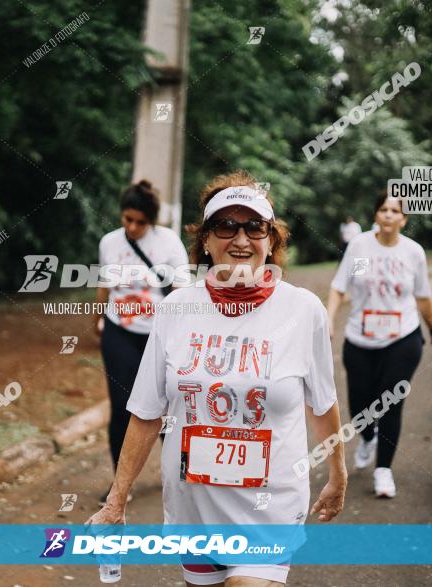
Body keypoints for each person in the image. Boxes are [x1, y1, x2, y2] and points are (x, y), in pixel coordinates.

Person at [88, 171, 347, 586]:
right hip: (196, 510)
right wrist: (116, 501)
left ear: (272, 240)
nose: (241, 239)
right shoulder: (175, 309)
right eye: (226, 226)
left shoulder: (303, 310)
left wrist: (338, 472)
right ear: (205, 241)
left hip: (270, 508)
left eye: (254, 227)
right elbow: (146, 412)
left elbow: (323, 400)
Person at [327, 193, 432, 498]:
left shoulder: (413, 252)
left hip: (403, 338)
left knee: (391, 402)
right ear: (376, 215)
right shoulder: (360, 247)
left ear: (403, 219)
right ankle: (368, 437)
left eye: (396, 211)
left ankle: (384, 470)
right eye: (384, 209)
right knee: (360, 407)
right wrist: (328, 321)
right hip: (359, 338)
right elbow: (340, 287)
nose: (389, 214)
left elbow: (422, 295)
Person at [94, 179, 189, 504]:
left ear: (152, 221)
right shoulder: (109, 242)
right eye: (127, 219)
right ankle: (122, 483)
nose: (132, 227)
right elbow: (104, 285)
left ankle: (180, 477)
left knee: (166, 407)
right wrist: (97, 317)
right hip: (119, 332)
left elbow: (180, 290)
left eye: (140, 222)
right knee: (122, 408)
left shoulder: (168, 244)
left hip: (159, 337)